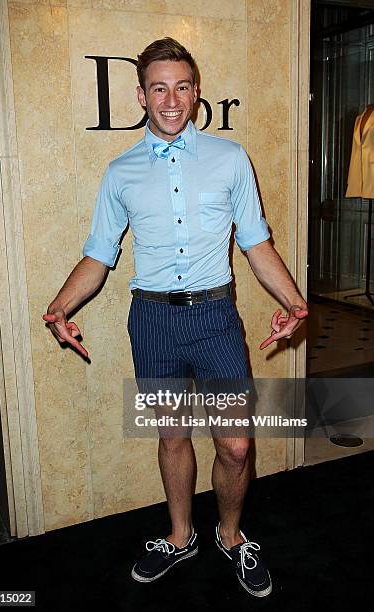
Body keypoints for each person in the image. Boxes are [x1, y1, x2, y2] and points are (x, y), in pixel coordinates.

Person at [43, 37, 308, 598]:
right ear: (141, 94)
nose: (171, 99)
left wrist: (294, 301)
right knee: (172, 435)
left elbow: (257, 245)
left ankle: (231, 537)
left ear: (196, 92)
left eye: (182, 87)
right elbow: (98, 254)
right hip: (153, 322)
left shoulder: (230, 159)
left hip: (215, 317)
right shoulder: (120, 172)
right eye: (159, 87)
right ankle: (181, 534)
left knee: (235, 444)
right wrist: (60, 307)